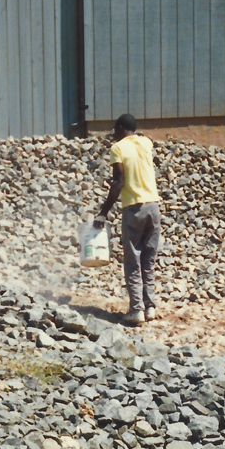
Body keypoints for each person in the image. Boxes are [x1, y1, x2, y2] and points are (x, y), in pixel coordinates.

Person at [94, 114, 161, 326]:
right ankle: (149, 307)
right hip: (153, 207)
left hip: (134, 209)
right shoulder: (146, 142)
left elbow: (119, 182)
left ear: (121, 128)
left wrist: (103, 212)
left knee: (133, 261)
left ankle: (136, 311)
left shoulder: (118, 148)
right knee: (148, 260)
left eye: (115, 130)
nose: (113, 135)